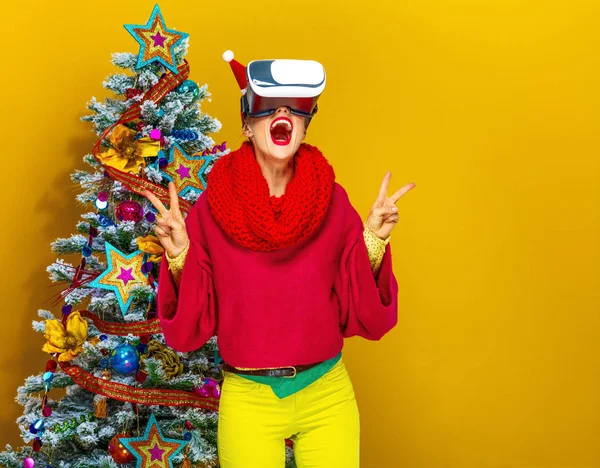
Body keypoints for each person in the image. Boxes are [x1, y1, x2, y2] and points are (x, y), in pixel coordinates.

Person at [142, 51, 416, 468]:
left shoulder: (333, 201)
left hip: (327, 393)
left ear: (305, 126)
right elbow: (191, 327)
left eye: (296, 110)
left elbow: (361, 311)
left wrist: (374, 239)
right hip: (249, 398)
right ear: (247, 125)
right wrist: (180, 252)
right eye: (269, 108)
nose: (283, 115)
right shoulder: (211, 209)